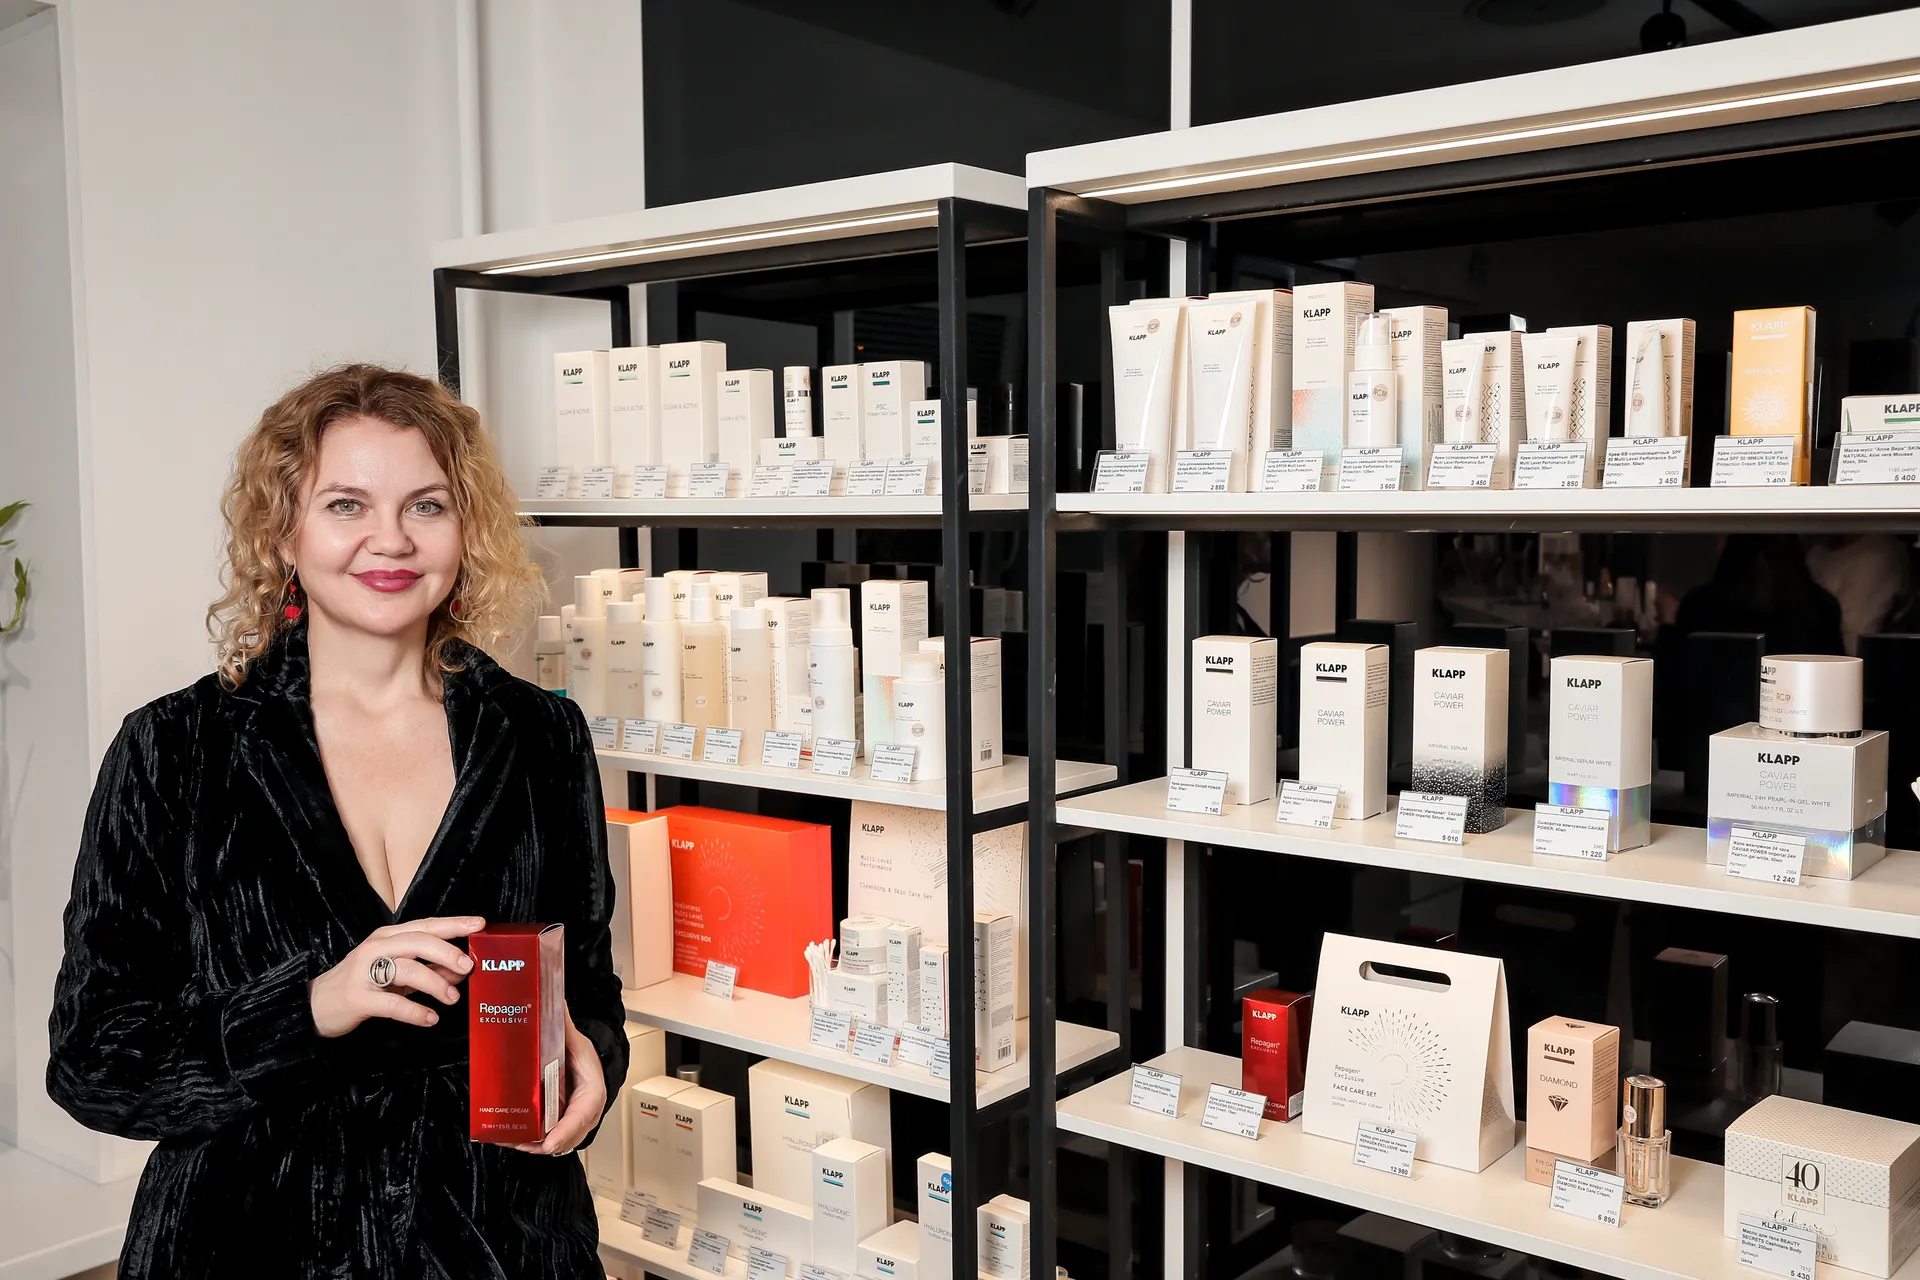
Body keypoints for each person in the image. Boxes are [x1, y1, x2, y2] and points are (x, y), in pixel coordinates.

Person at [46, 365, 627, 1277]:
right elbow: (94, 1061)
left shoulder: (538, 737)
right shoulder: (175, 748)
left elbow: (585, 985)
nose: (390, 540)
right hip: (245, 1243)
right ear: (284, 531)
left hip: (497, 1238)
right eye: (346, 505)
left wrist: (594, 1066)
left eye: (427, 505)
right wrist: (314, 1005)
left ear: (466, 528)